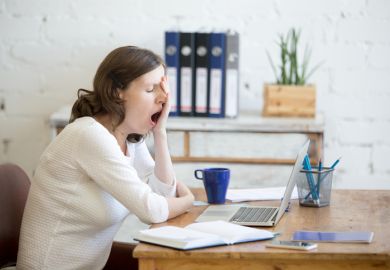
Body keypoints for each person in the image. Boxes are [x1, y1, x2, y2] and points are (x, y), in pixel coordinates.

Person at [17, 46, 195, 270]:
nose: (162, 98)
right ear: (116, 91)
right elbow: (153, 210)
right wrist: (189, 200)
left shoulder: (128, 138)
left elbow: (163, 195)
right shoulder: (89, 136)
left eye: (162, 89)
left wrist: (160, 133)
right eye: (151, 89)